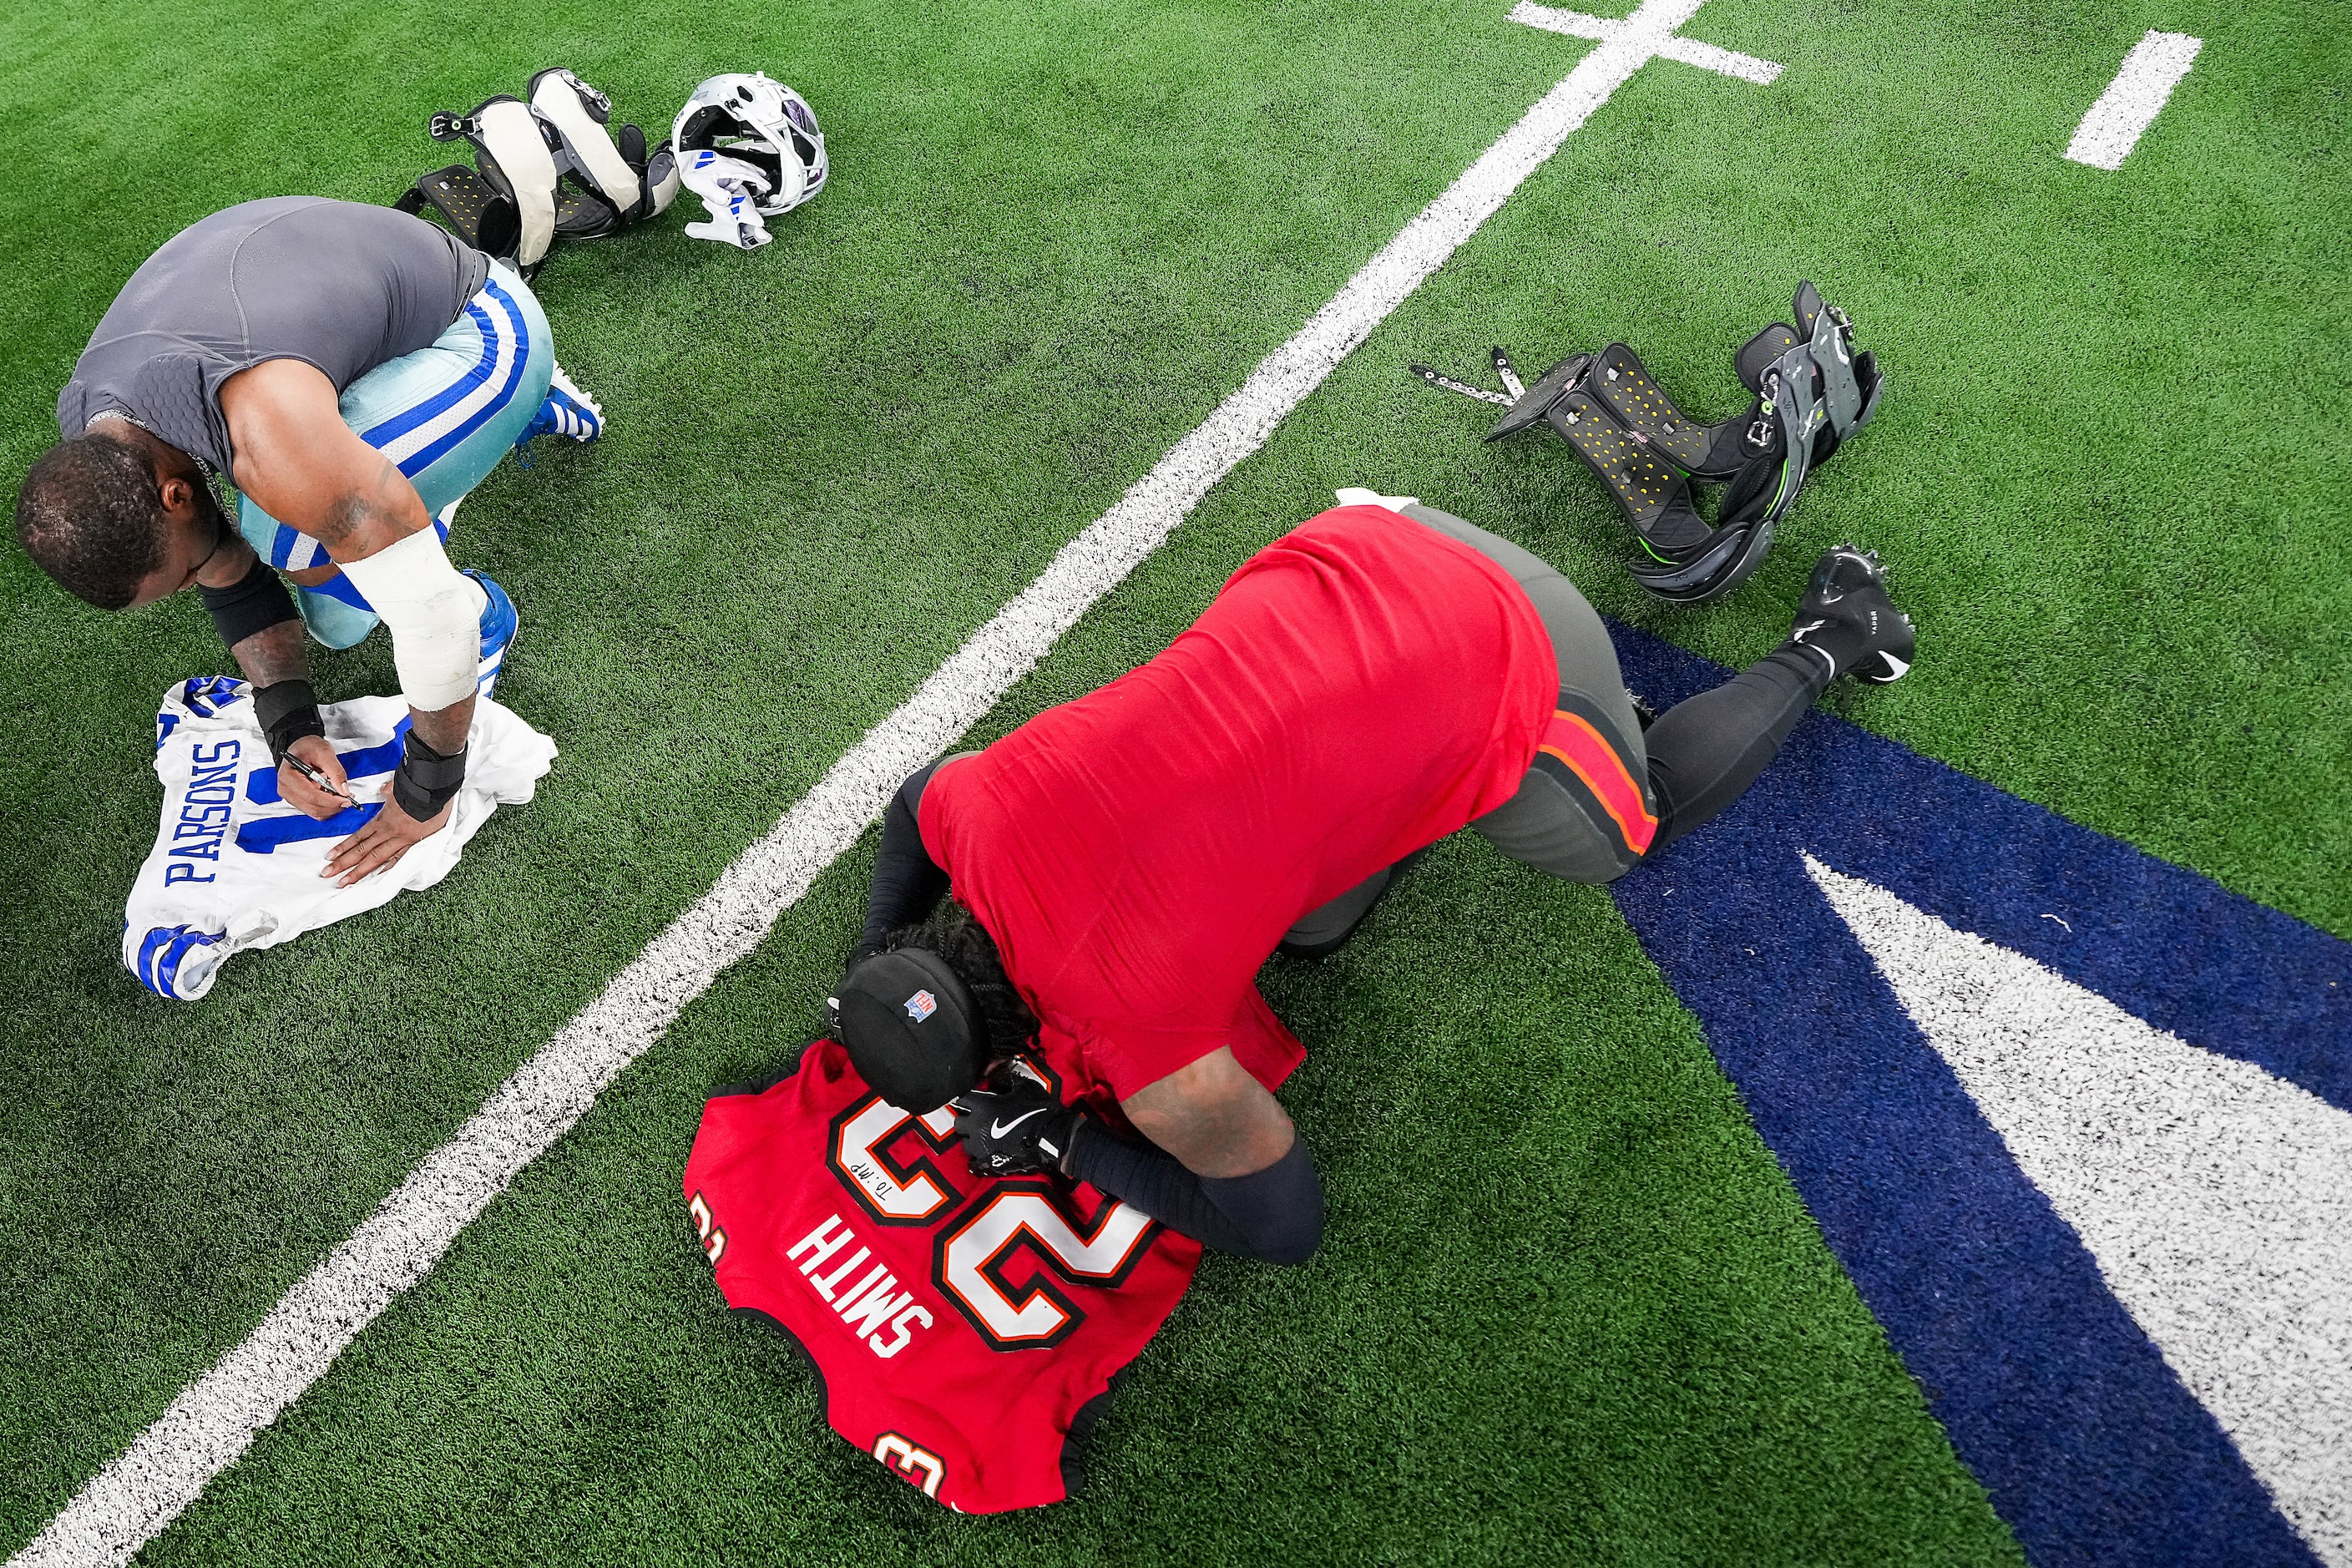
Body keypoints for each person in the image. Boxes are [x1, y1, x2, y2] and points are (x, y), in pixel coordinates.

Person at [831, 492, 1916, 1266]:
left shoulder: (1149, 1054)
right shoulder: (977, 808)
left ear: (1014, 1053)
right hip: (1367, 538)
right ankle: (1475, 762)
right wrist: (869, 953)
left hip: (1510, 641)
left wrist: (1064, 1139)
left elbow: (1281, 1224)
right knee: (1304, 926)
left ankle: (1839, 632)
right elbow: (911, 803)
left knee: (1633, 828)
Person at [13, 195, 603, 888]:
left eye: (179, 576)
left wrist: (426, 792)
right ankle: (446, 442)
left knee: (302, 548)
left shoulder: (268, 434)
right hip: (348, 324)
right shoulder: (99, 430)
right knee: (314, 583)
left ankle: (514, 410)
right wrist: (290, 728)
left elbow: (434, 620)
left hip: (481, 327)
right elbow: (223, 565)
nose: (195, 584)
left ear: (175, 496)